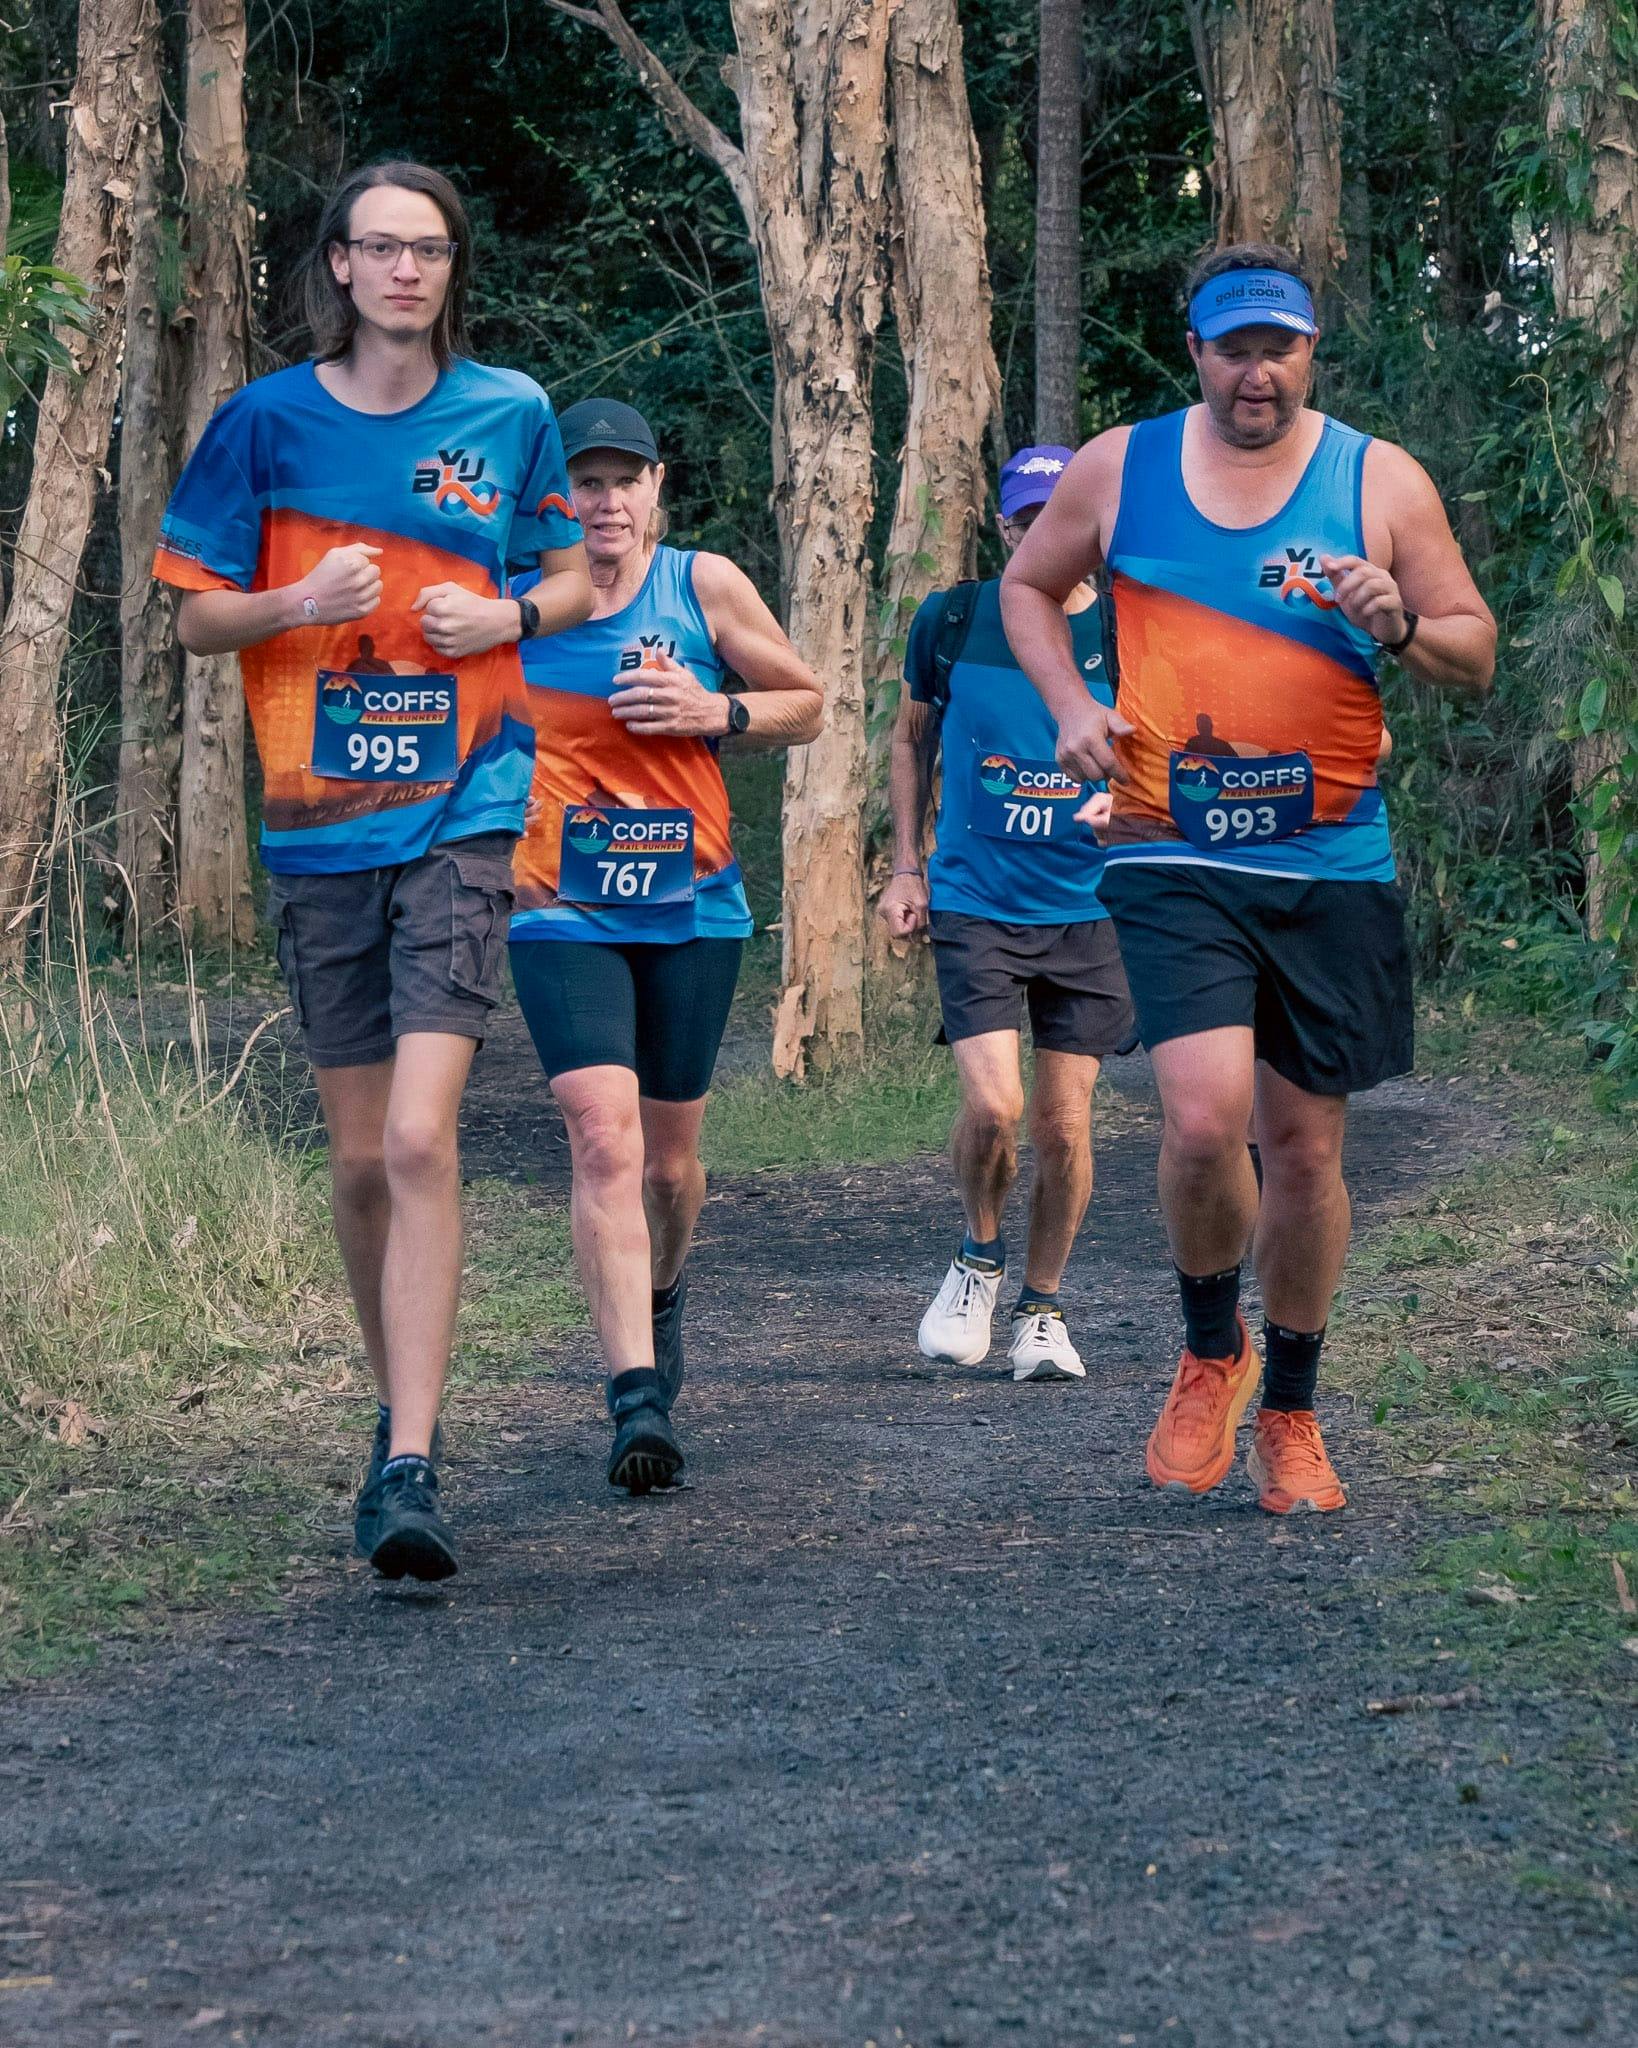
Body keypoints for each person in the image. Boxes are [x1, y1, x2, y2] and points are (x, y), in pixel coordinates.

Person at [1001, 243, 1495, 1512]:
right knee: (1208, 1118)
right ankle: (1210, 1348)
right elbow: (1028, 584)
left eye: (1279, 346)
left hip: (1327, 859)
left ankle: (1291, 1407)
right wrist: (1066, 698)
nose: (1256, 372)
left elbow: (1473, 648)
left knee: (1305, 1146)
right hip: (1171, 844)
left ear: (1309, 350)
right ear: (1196, 353)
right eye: (1234, 348)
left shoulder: (1379, 479)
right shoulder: (1122, 467)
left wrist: (1398, 621)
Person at [155, 161, 592, 1580]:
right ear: (337, 266)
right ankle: (391, 1418)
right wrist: (297, 600)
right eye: (381, 248)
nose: (408, 270)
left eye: (431, 249)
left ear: (453, 269)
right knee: (357, 1158)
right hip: (316, 824)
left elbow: (576, 580)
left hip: (468, 808)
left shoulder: (511, 413)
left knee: (417, 1138)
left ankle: (410, 1458)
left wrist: (507, 611)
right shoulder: (263, 424)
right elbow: (192, 624)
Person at [508, 399, 823, 1493]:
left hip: (692, 906)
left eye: (621, 479)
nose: (602, 500)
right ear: (557, 498)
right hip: (560, 907)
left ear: (655, 488)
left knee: (672, 1165)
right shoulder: (523, 597)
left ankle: (664, 1291)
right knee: (605, 1141)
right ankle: (637, 1397)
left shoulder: (703, 585)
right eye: (582, 483)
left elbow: (809, 701)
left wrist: (713, 709)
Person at [878, 448, 1135, 1382]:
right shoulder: (952, 620)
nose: (1039, 534)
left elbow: (1166, 742)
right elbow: (910, 739)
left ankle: (1042, 1307)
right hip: (976, 898)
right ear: (1006, 529)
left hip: (1089, 906)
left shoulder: (1128, 629)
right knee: (995, 1106)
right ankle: (976, 1259)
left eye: (1055, 517)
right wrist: (906, 865)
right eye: (1024, 519)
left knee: (1064, 1128)